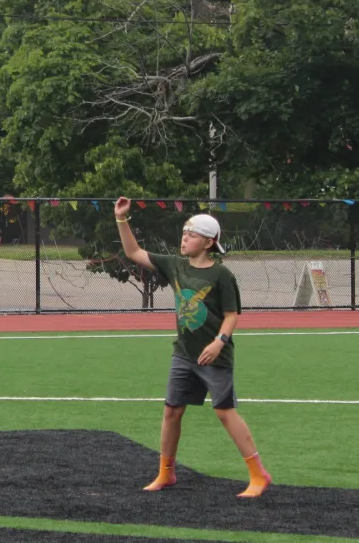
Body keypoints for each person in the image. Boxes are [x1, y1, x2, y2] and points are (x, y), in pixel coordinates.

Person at [114, 197, 270, 497]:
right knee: (172, 411)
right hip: (184, 354)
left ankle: (258, 475)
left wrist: (218, 342)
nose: (184, 238)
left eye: (192, 234)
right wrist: (122, 219)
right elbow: (133, 251)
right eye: (185, 232)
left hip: (215, 356)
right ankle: (165, 474)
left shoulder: (221, 274)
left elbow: (231, 315)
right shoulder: (175, 265)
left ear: (209, 242)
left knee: (225, 412)